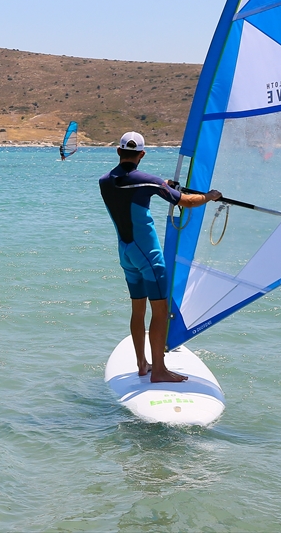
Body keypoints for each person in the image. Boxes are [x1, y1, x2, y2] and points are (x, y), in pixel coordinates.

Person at [99, 132, 220, 384]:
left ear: (118, 152)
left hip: (126, 253)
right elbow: (186, 201)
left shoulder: (105, 181)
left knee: (138, 309)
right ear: (142, 154)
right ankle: (160, 371)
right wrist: (209, 196)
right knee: (161, 312)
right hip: (148, 256)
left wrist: (161, 184)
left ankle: (142, 364)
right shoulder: (149, 181)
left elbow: (132, 187)